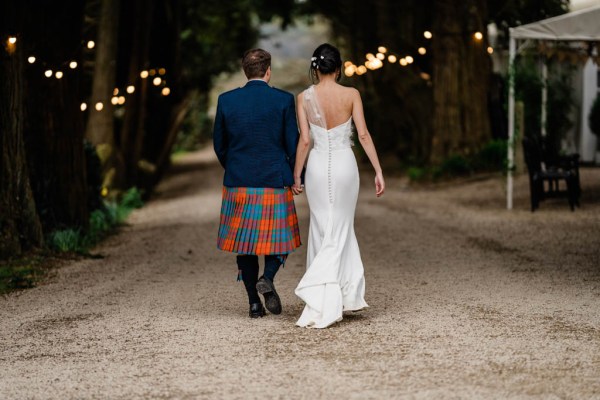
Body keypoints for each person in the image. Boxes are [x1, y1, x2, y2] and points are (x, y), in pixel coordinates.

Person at [291, 43, 385, 328]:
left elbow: (305, 140)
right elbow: (364, 134)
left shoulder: (303, 98)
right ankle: (341, 296)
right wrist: (379, 170)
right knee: (342, 227)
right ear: (339, 67)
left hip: (318, 168)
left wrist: (297, 175)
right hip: (345, 166)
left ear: (315, 68)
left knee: (322, 226)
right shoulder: (352, 94)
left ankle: (322, 297)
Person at [213, 48, 301, 318]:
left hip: (239, 182)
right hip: (273, 181)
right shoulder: (284, 100)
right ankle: (269, 277)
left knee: (245, 244)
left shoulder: (226, 100)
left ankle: (253, 303)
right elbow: (292, 143)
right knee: (280, 239)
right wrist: (296, 175)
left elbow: (220, 145)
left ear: (245, 71)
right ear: (268, 70)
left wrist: (236, 167)